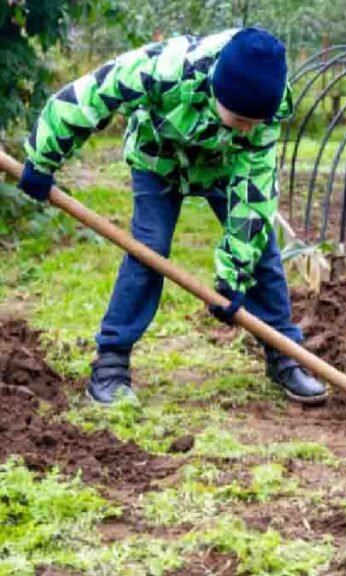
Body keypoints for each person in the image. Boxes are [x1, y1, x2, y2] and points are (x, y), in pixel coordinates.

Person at [17, 27, 327, 405]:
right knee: (150, 247)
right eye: (241, 118)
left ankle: (285, 356)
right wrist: (42, 160)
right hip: (158, 159)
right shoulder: (162, 69)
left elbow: (254, 197)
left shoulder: (268, 108)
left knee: (264, 255)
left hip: (224, 166)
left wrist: (233, 276)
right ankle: (111, 363)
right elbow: (87, 97)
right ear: (217, 90)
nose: (249, 127)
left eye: (255, 122)